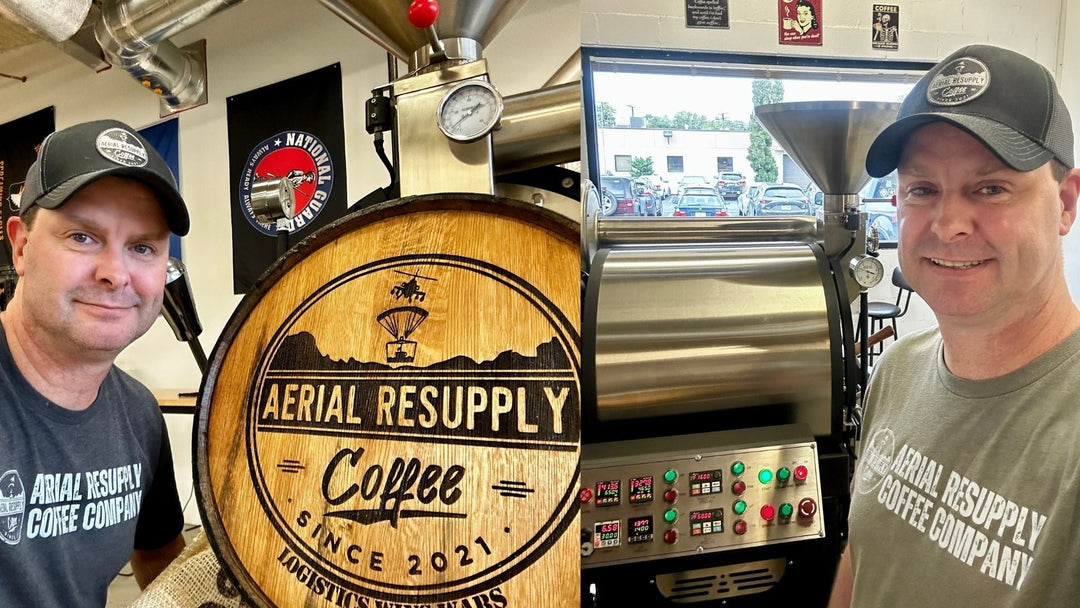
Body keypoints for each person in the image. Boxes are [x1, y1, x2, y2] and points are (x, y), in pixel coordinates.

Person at [829, 44, 1080, 607]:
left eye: (990, 188)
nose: (948, 225)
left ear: (1064, 204)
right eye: (923, 189)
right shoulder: (896, 370)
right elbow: (862, 557)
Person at [0, 120, 189, 607]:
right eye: (83, 237)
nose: (115, 274)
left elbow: (162, 565)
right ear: (21, 247)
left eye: (143, 247)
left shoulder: (140, 416)